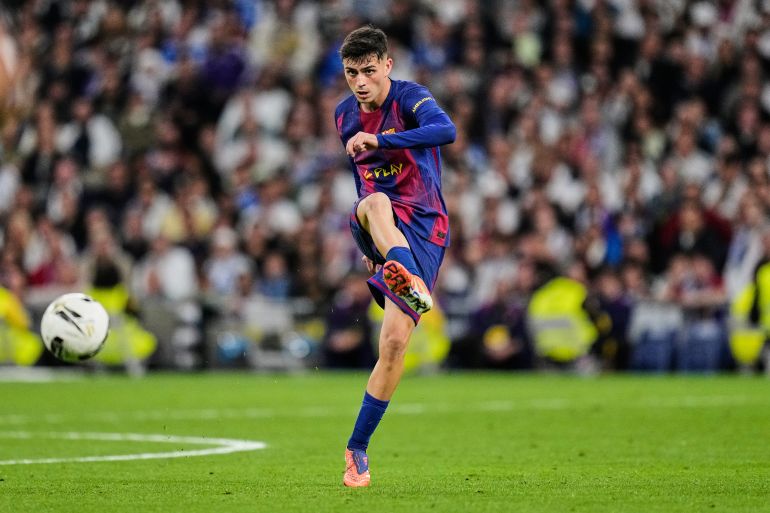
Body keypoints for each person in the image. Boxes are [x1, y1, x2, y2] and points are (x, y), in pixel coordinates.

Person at [333, 26, 456, 487]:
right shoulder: (344, 115)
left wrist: (381, 140)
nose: (360, 81)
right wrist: (371, 245)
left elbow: (448, 130)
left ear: (387, 64)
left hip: (425, 226)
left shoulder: (410, 98)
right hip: (381, 223)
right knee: (375, 202)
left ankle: (357, 446)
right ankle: (400, 268)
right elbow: (362, 182)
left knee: (393, 345)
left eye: (368, 70)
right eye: (351, 73)